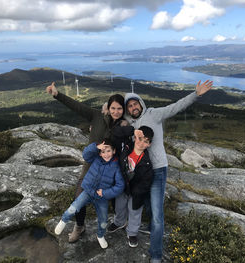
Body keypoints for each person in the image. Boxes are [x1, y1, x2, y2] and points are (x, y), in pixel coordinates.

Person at [123, 80, 213, 263]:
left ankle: (156, 256)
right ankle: (150, 227)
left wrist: (196, 94)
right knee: (147, 202)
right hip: (141, 173)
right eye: (130, 105)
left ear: (141, 103)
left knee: (157, 215)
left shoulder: (153, 114)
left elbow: (175, 107)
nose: (133, 107)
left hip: (157, 170)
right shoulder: (131, 125)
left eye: (135, 103)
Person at [46, 82, 126, 242]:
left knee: (112, 201)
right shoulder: (96, 117)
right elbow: (77, 106)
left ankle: (116, 224)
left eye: (119, 108)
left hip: (110, 172)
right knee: (79, 199)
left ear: (123, 110)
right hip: (90, 168)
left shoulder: (124, 126)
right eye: (113, 108)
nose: (116, 112)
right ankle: (79, 226)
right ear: (108, 108)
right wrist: (57, 94)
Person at [54, 139, 124, 249]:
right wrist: (96, 147)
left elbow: (120, 186)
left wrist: (105, 193)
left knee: (103, 220)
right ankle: (63, 220)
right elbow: (86, 155)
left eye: (108, 151)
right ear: (100, 152)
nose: (106, 154)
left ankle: (100, 235)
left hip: (102, 198)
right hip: (88, 191)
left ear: (114, 151)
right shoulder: (96, 158)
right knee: (74, 208)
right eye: (103, 151)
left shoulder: (116, 166)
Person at [107, 125, 154, 248]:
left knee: (135, 212)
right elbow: (115, 132)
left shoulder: (147, 162)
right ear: (135, 137)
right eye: (140, 139)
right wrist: (133, 131)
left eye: (146, 141)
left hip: (136, 192)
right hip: (122, 187)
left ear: (149, 144)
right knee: (119, 206)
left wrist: (136, 191)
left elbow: (146, 182)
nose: (141, 143)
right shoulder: (126, 148)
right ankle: (119, 222)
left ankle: (132, 233)